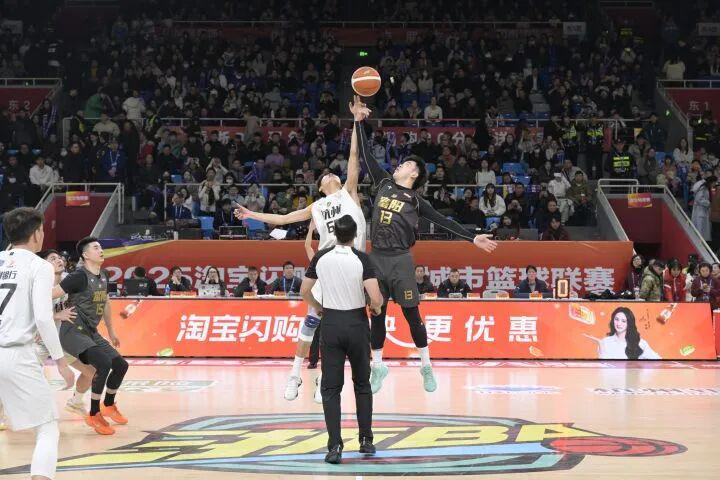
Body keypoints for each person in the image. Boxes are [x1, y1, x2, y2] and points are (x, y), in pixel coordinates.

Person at [355, 102, 497, 394]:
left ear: (414, 174)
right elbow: (366, 155)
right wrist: (358, 121)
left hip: (401, 260)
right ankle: (378, 366)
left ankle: (426, 366)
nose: (399, 165)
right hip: (376, 258)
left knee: (412, 316)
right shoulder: (383, 183)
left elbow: (445, 222)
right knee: (377, 313)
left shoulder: (417, 201)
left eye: (406, 164)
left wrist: (472, 238)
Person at [235, 96, 367, 402]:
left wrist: (356, 122)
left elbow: (354, 156)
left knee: (342, 332)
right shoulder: (316, 207)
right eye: (326, 176)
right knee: (310, 325)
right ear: (320, 187)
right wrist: (252, 214)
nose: (331, 174)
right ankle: (295, 375)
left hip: (355, 269)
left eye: (333, 173)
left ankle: (326, 379)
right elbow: (282, 218)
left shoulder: (349, 193)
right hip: (327, 270)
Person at [300, 214, 383, 465]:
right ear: (355, 235)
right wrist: (375, 308)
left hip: (331, 324)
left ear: (334, 234)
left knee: (330, 389)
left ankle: (334, 446)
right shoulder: (362, 258)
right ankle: (366, 440)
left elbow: (304, 291)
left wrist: (319, 306)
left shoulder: (321, 257)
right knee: (362, 384)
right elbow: (376, 297)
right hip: (357, 324)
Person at [0, 207, 75, 480]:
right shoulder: (40, 266)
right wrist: (62, 363)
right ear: (35, 234)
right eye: (42, 229)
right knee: (47, 428)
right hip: (16, 354)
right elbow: (44, 318)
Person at [53, 236, 129, 435]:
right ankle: (94, 413)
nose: (101, 250)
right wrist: (56, 315)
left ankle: (108, 405)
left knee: (121, 365)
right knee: (103, 364)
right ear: (86, 255)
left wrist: (111, 331)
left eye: (101, 247)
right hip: (72, 331)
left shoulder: (104, 275)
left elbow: (105, 303)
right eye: (96, 247)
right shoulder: (78, 276)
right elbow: (48, 295)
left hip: (90, 332)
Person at [35, 249, 97, 417]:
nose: (59, 260)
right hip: (37, 339)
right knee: (18, 378)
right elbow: (27, 313)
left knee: (92, 372)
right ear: (43, 265)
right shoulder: (36, 284)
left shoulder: (66, 282)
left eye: (59, 258)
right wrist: (56, 316)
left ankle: (75, 403)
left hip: (59, 339)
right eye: (53, 258)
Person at [586, 307, 660, 359]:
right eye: (616, 319)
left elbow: (658, 360)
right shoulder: (605, 342)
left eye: (623, 321)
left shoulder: (640, 343)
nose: (619, 324)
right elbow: (603, 368)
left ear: (629, 323)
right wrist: (601, 346)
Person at [691, 176, 716, 241]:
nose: (714, 185)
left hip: (703, 210)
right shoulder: (703, 188)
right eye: (714, 183)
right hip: (700, 210)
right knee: (700, 227)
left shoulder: (706, 188)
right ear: (711, 182)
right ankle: (700, 241)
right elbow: (699, 199)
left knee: (703, 228)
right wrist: (709, 203)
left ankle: (702, 241)